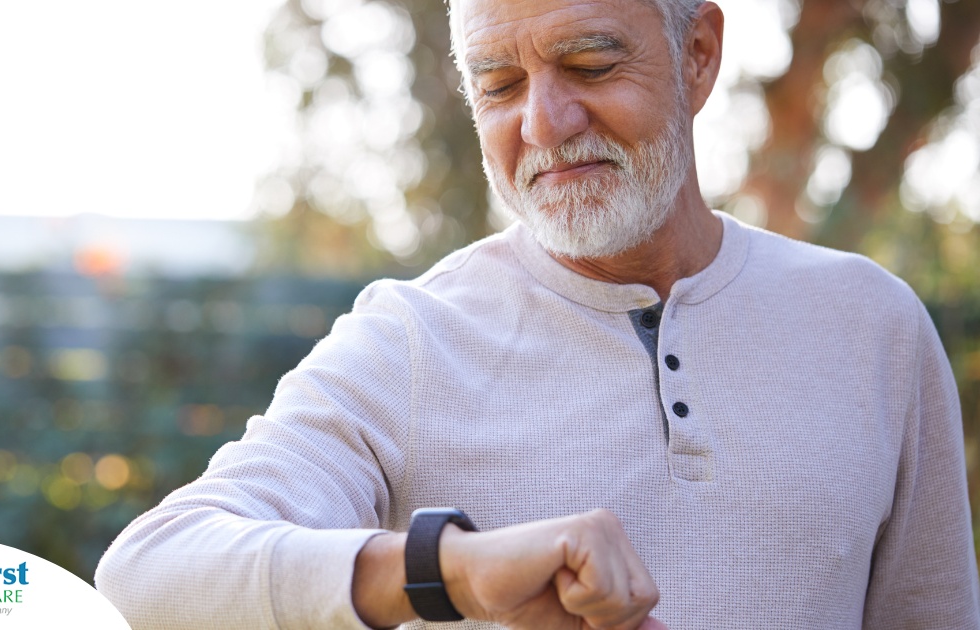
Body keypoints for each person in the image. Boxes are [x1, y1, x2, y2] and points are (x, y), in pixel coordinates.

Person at [95, 0, 980, 627]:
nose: (546, 123)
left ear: (700, 53)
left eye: (590, 63)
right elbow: (152, 573)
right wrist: (452, 571)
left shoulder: (876, 329)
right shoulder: (409, 340)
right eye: (499, 84)